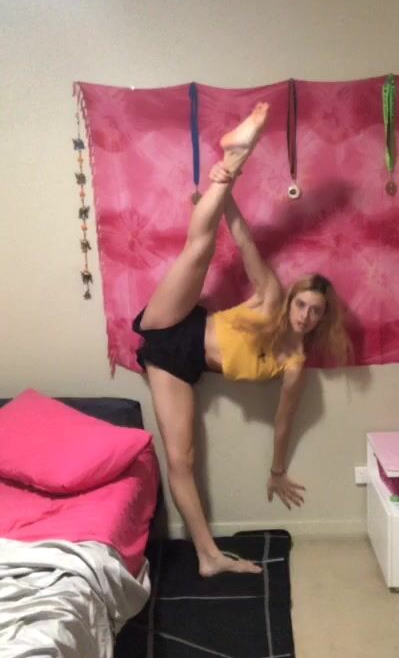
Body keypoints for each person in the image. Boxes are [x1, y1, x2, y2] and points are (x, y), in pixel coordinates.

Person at [133, 102, 350, 577]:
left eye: (316, 312)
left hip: (178, 367)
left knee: (182, 459)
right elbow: (244, 240)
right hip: (175, 322)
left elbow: (283, 421)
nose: (306, 315)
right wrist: (225, 185)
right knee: (201, 248)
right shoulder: (271, 297)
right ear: (292, 300)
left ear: (322, 319)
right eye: (302, 304)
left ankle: (208, 557)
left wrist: (277, 470)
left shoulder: (294, 366)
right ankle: (233, 156)